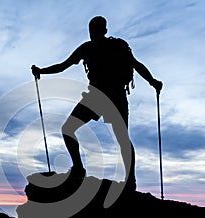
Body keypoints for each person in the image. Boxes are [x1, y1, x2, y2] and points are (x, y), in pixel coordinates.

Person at [31, 16, 162, 190]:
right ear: (105, 30)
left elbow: (63, 66)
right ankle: (129, 181)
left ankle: (79, 169)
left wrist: (41, 71)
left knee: (68, 129)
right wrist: (153, 81)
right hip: (114, 97)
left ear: (92, 30)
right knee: (122, 139)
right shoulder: (117, 47)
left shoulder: (89, 48)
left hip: (98, 97)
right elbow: (137, 65)